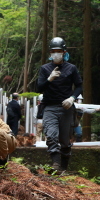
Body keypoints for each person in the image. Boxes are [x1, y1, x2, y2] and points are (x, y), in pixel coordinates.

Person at [37, 37, 82, 171]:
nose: (56, 53)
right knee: (51, 135)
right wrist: (49, 79)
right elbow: (39, 88)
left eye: (59, 51)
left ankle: (64, 168)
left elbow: (79, 86)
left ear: (64, 52)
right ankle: (55, 164)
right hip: (49, 107)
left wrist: (72, 98)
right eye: (53, 51)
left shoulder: (71, 68)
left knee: (64, 140)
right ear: (50, 53)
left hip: (66, 107)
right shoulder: (44, 69)